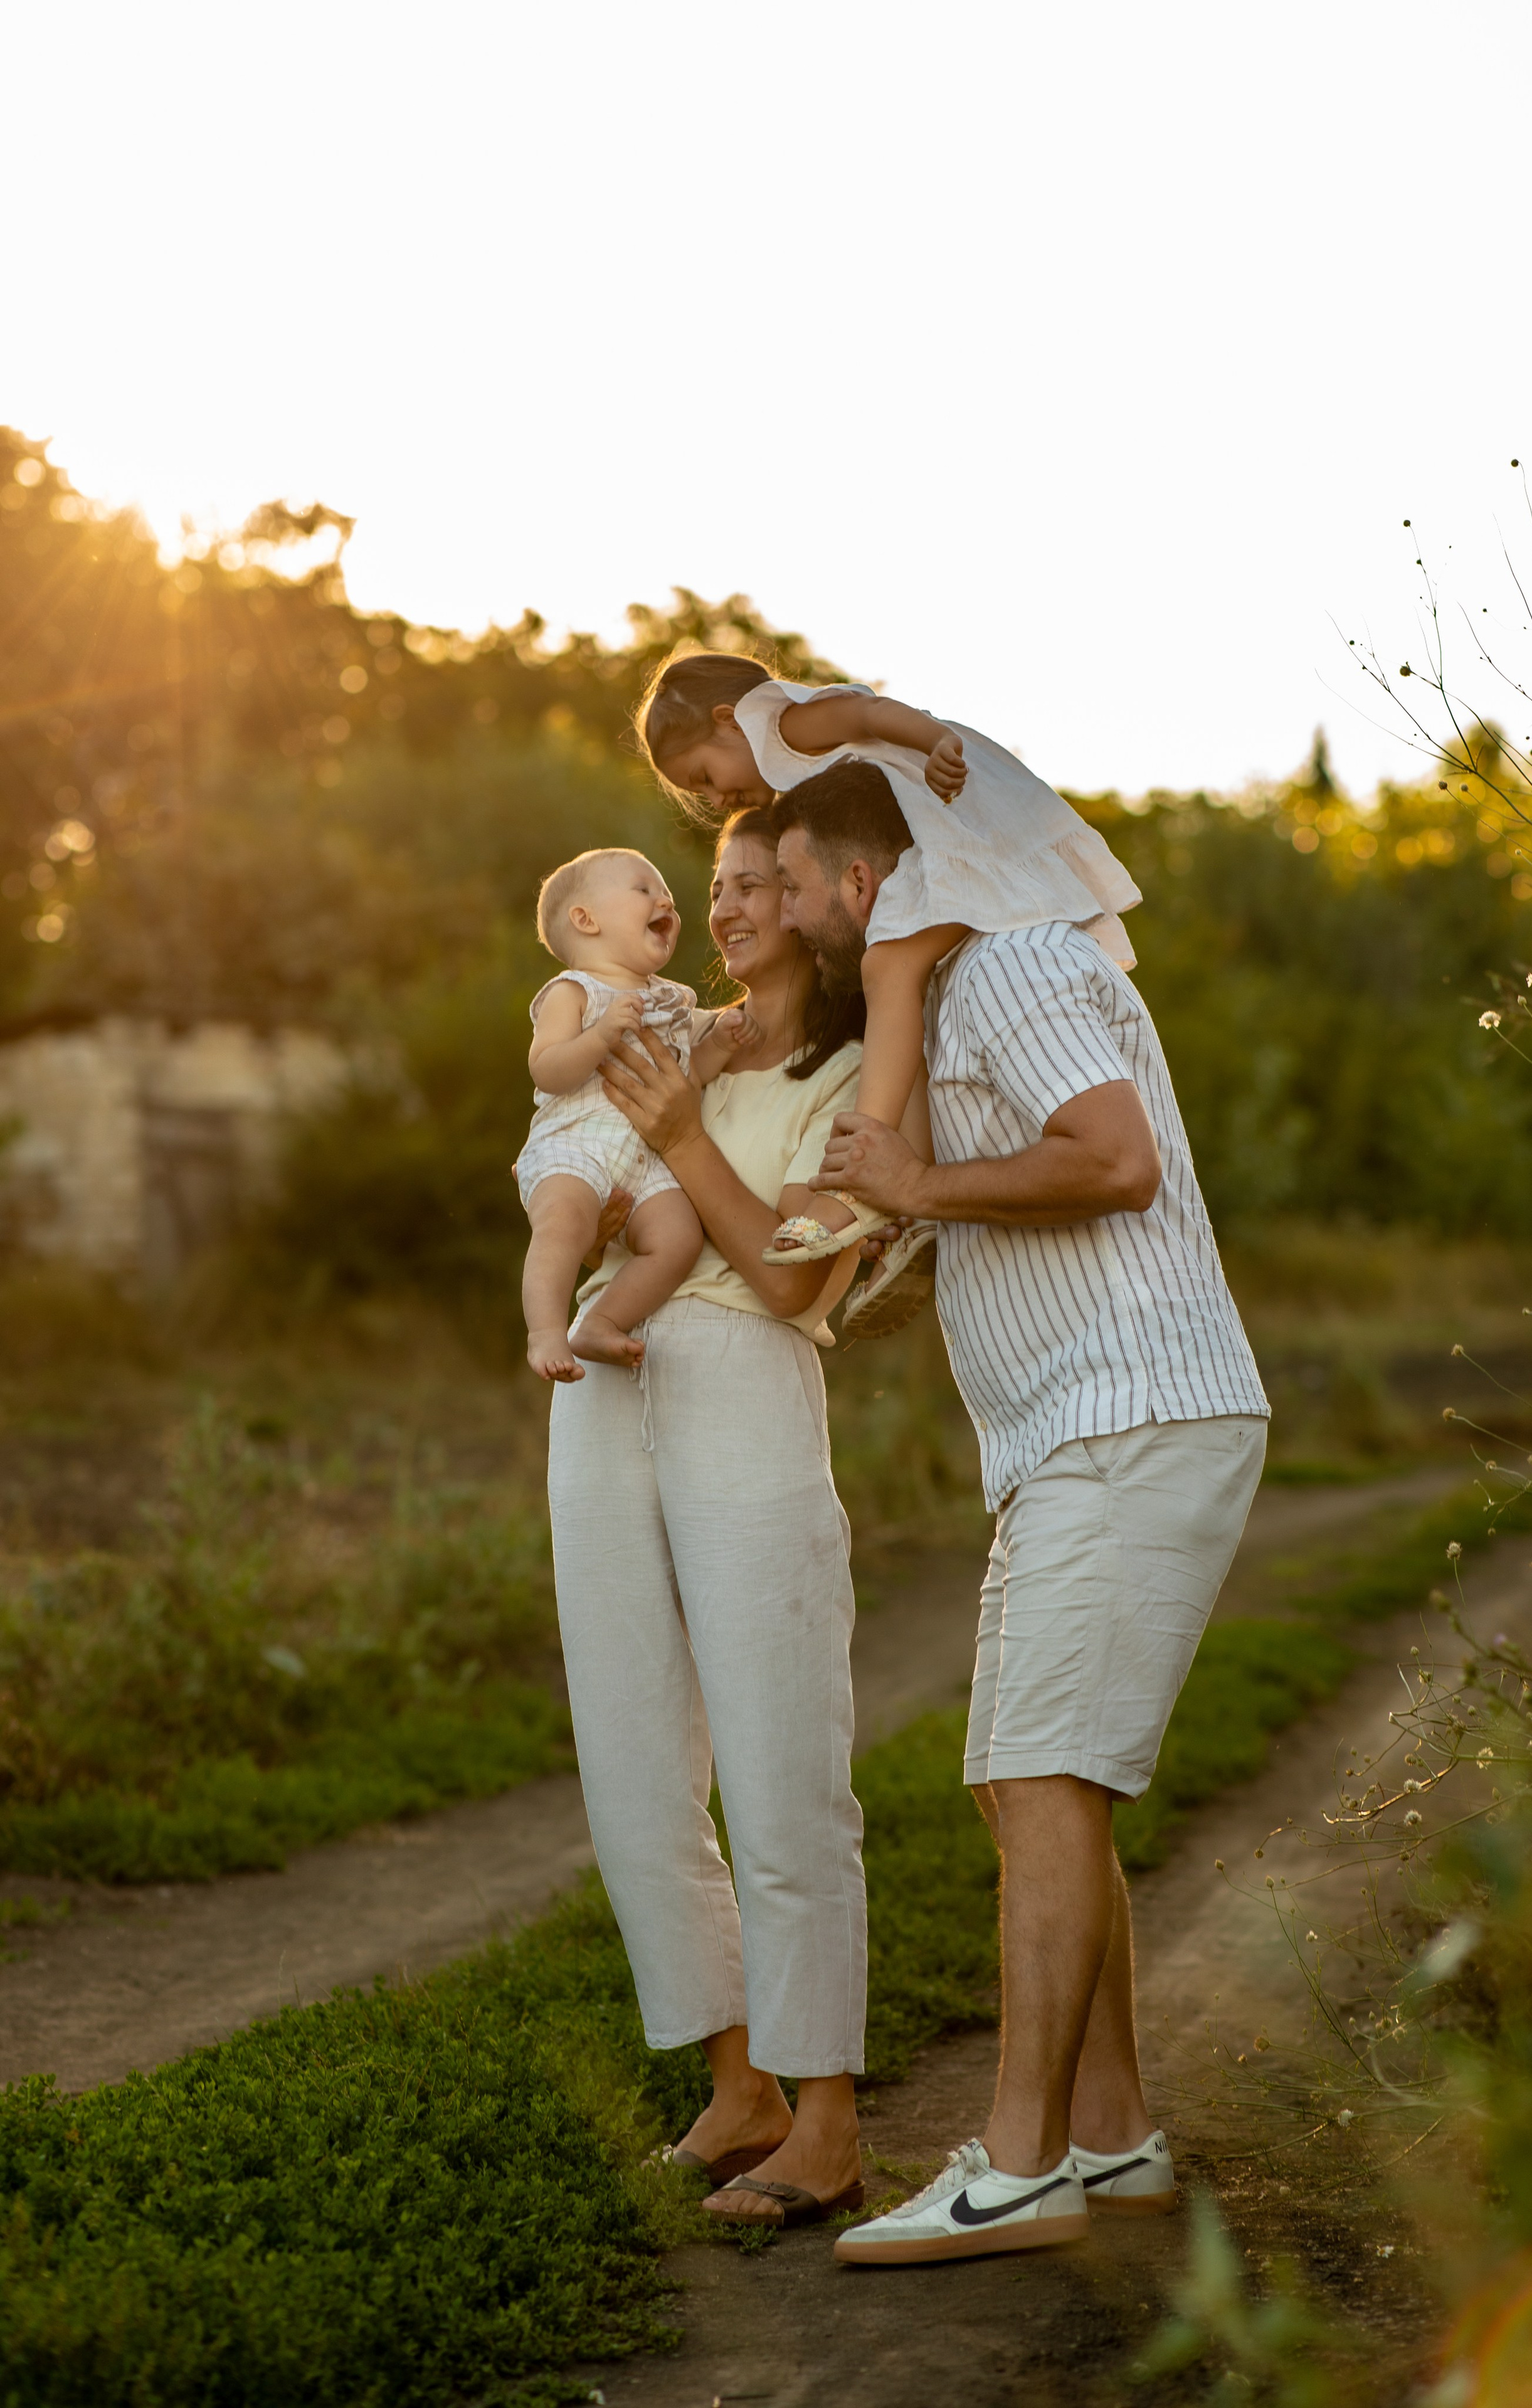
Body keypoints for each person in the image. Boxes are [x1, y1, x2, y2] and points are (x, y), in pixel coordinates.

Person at [762, 758, 1271, 2267]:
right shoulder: (961, 997)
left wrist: (915, 1177)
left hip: (1129, 1411)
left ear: (865, 883)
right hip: (1070, 1433)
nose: (787, 918)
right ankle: (1107, 2141)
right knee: (1019, 1784)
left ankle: (1020, 2161)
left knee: (1046, 1776)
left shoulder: (1013, 965)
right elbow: (980, 1189)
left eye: (795, 886)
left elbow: (1111, 1159)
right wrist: (898, 1204)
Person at [542, 805, 871, 2231]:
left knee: (780, 1750)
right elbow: (577, 1159)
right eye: (717, 882)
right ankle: (735, 2084)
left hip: (745, 1368)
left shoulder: (859, 1067)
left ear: (812, 901)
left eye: (757, 884)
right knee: (629, 1757)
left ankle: (830, 2118)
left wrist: (678, 1133)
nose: (726, 905)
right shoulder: (667, 1026)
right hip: (609, 1373)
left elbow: (797, 1275)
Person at [635, 653, 1141, 1274]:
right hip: (949, 847)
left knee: (887, 975)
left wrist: (935, 743)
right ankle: (908, 1208)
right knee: (902, 1014)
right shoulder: (790, 776)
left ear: (726, 721)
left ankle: (854, 1183)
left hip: (958, 841)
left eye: (705, 776)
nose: (714, 798)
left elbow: (868, 710)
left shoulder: (783, 725)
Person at [516, 847, 754, 1381]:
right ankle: (547, 1332)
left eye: (664, 891)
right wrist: (600, 1035)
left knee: (679, 1239)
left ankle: (600, 1322)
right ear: (586, 920)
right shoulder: (574, 992)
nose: (663, 898)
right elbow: (546, 1069)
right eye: (643, 889)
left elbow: (684, 1078)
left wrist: (718, 1046)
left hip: (646, 1162)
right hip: (574, 1146)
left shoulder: (672, 1001)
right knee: (563, 1226)